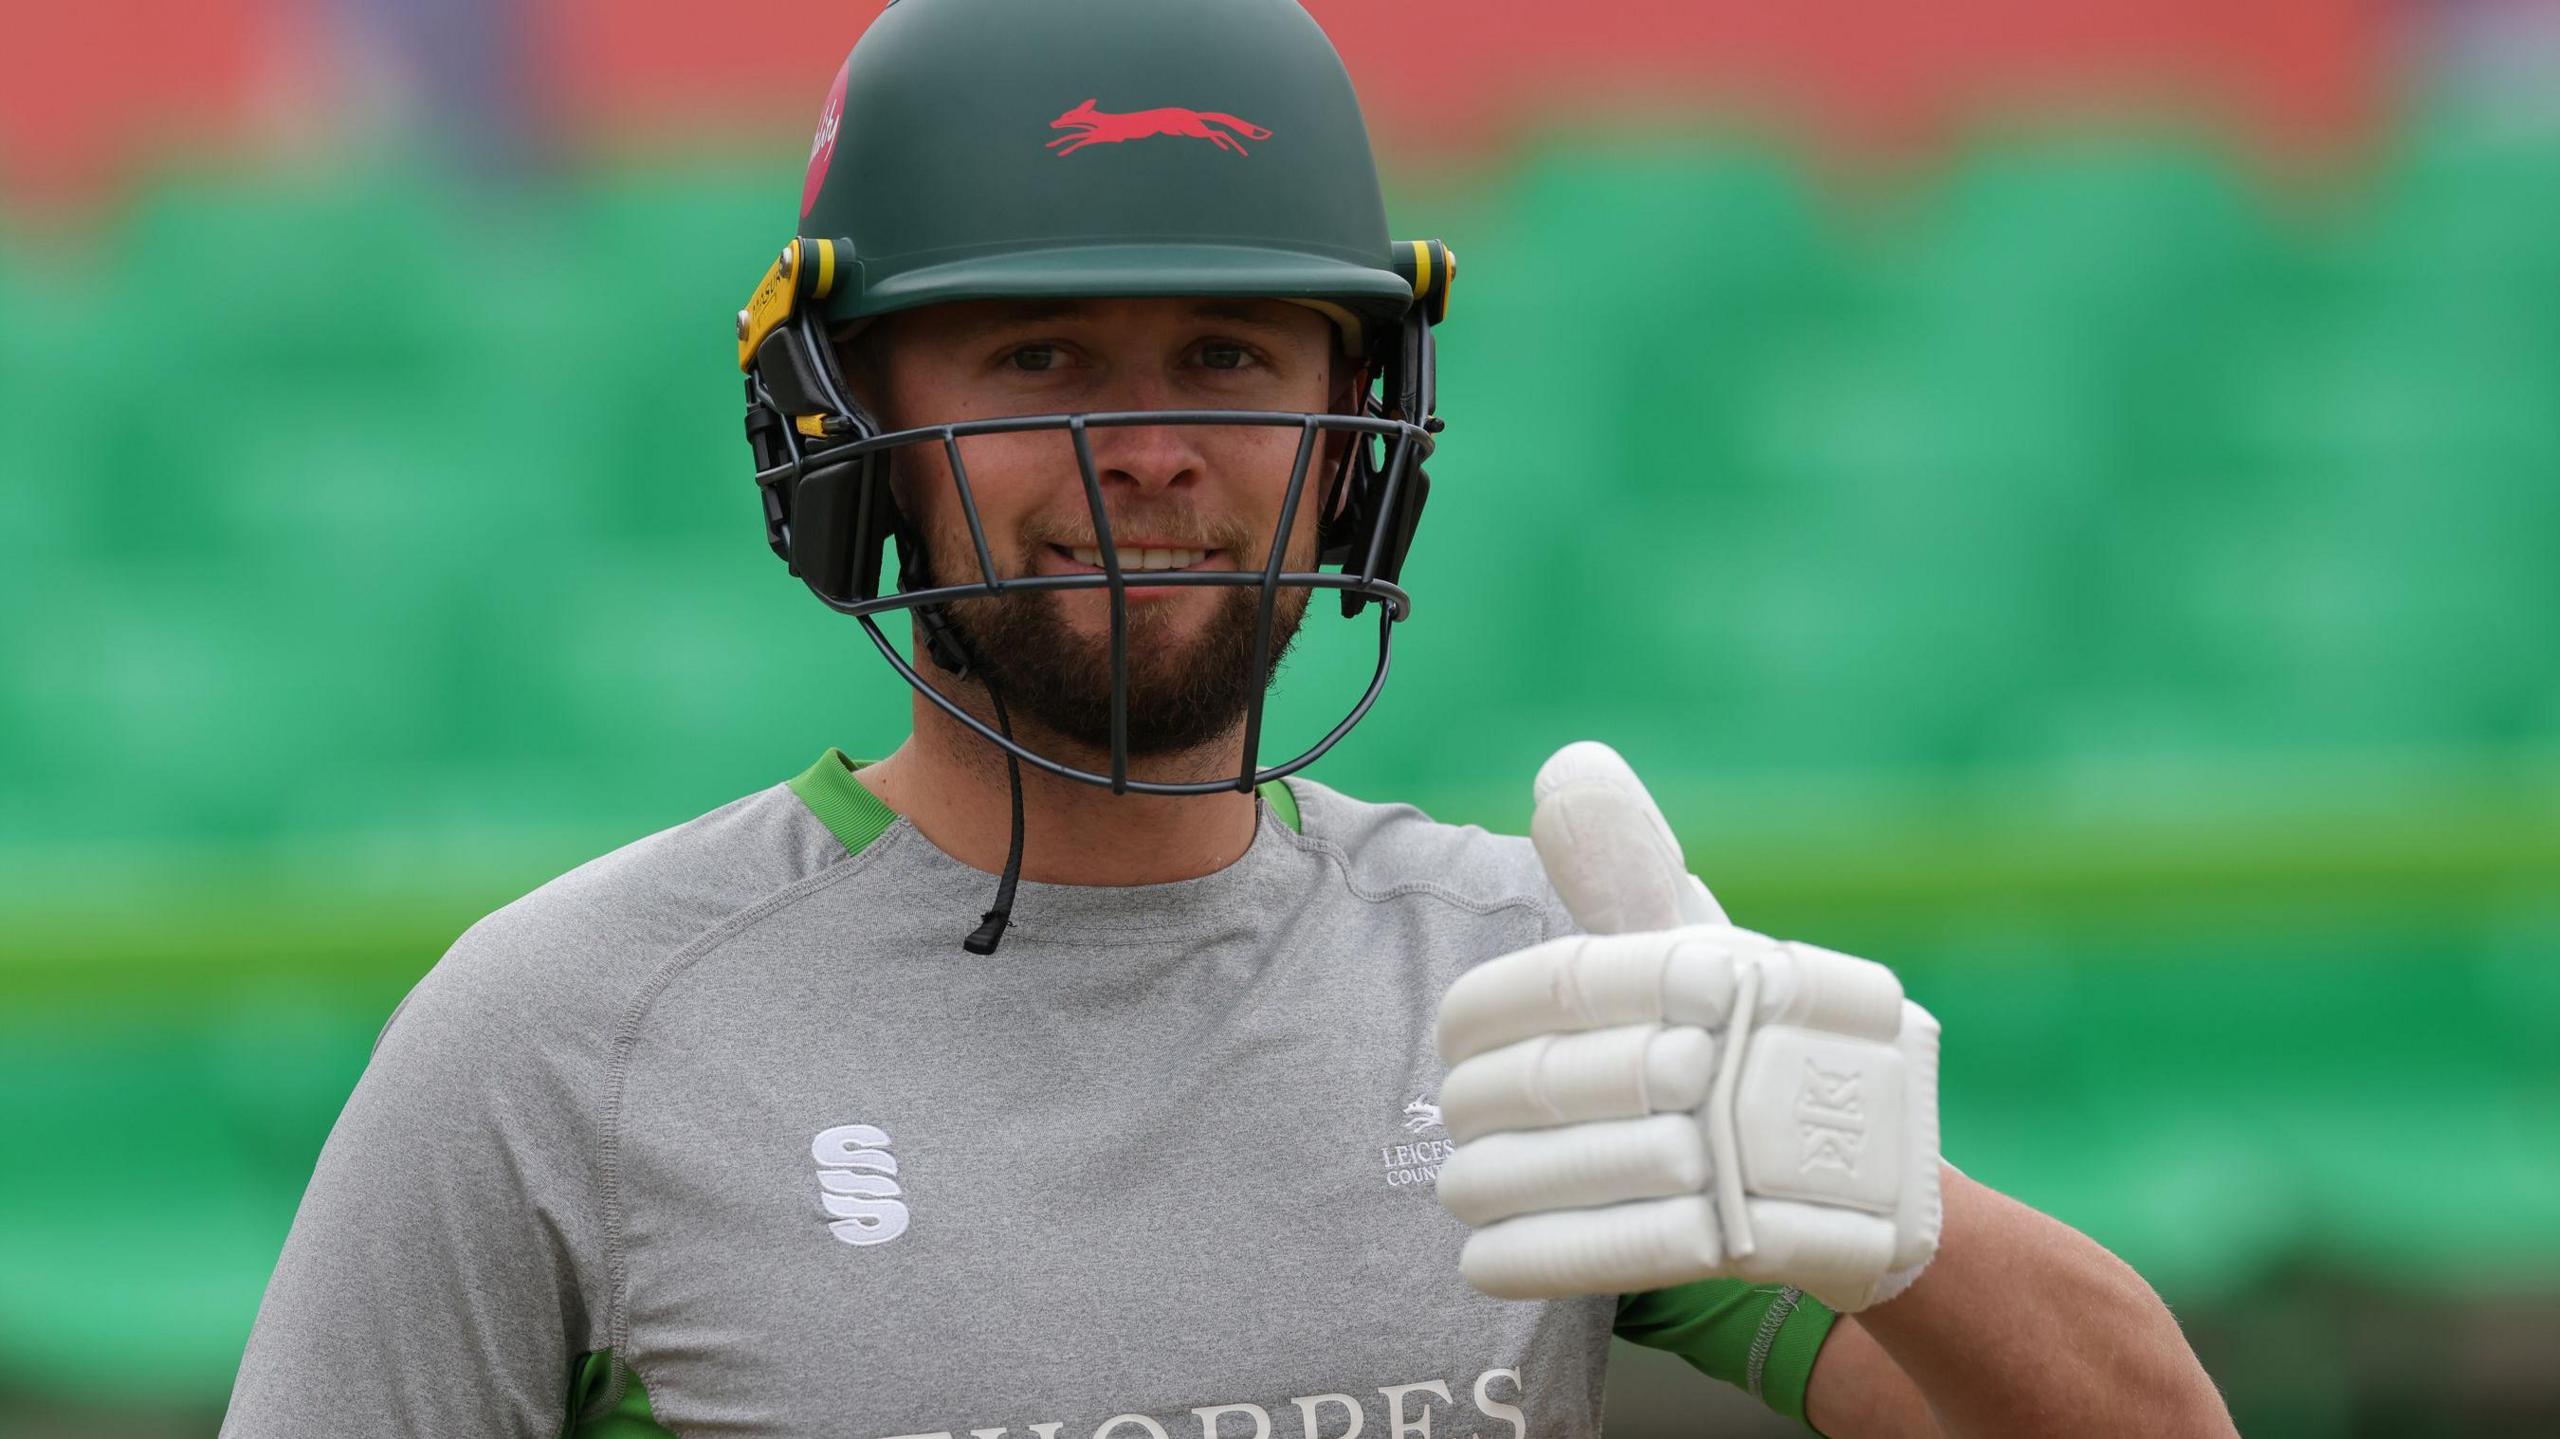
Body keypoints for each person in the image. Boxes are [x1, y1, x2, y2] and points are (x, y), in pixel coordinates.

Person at [222, 1, 2236, 1435]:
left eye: (1224, 350)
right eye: (1037, 357)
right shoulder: (566, 1037)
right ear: (850, 434)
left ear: (1350, 429)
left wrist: (1885, 1209)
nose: (1149, 445)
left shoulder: (1543, 992)